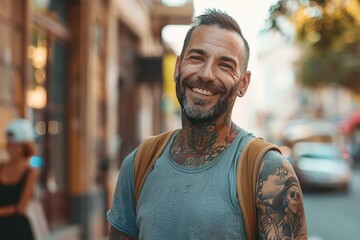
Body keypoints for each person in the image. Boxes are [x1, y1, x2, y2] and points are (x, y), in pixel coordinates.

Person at [107, 9, 307, 240]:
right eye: (197, 58)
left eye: (225, 65)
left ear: (243, 83)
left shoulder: (270, 172)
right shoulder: (139, 163)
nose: (206, 74)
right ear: (177, 67)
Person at [0, 118, 39, 240]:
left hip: (17, 230)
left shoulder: (30, 171)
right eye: (9, 143)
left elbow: (21, 208)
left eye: (16, 145)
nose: (11, 147)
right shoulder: (1, 166)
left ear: (25, 146)